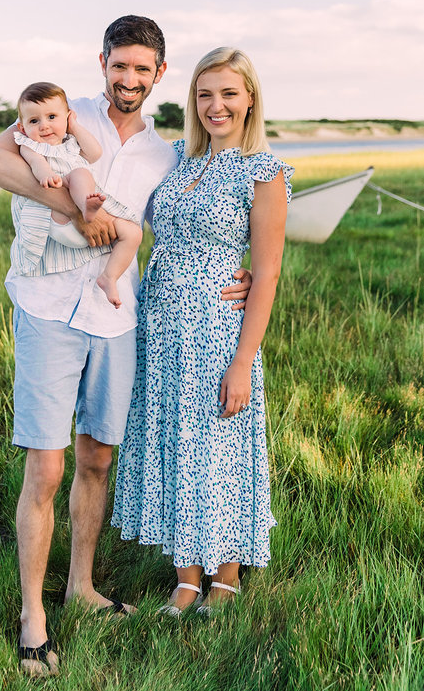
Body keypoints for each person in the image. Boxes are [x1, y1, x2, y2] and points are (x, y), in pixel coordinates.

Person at [0, 18, 252, 677]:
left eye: (142, 69)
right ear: (101, 62)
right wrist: (77, 211)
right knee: (45, 470)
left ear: (159, 74)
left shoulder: (166, 156)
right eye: (118, 65)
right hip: (47, 307)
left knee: (96, 458)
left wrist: (236, 274)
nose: (128, 79)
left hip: (114, 315)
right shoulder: (59, 117)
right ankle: (31, 618)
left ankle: (80, 586)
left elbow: (183, 227)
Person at [112, 47, 294, 616]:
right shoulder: (175, 160)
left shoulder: (263, 171)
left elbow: (265, 273)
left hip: (217, 330)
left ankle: (227, 572)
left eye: (229, 94)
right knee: (176, 443)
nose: (216, 106)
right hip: (161, 327)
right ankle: (187, 575)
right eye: (205, 94)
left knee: (218, 442)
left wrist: (243, 361)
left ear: (250, 100)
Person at [12, 80, 142, 308]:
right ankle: (85, 207)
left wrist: (75, 127)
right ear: (22, 128)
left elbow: (95, 153)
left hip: (84, 231)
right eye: (34, 121)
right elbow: (35, 164)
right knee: (79, 173)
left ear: (68, 117)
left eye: (52, 117)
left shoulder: (71, 143)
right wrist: (46, 175)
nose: (44, 126)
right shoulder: (30, 146)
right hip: (57, 214)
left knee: (133, 233)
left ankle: (109, 277)